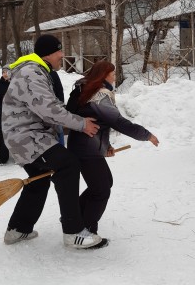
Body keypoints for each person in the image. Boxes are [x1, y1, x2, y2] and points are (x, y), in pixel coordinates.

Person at [2, 34, 105, 249]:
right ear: (48, 54)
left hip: (26, 136)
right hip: (27, 137)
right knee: (68, 164)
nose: (62, 55)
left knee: (38, 180)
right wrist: (81, 124)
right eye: (59, 51)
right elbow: (49, 110)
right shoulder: (31, 73)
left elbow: (51, 108)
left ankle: (18, 229)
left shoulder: (38, 71)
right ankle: (73, 232)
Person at [65, 61, 159, 235]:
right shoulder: (99, 96)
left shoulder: (84, 90)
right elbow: (118, 122)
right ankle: (85, 231)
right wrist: (146, 135)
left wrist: (105, 146)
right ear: (104, 75)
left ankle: (73, 217)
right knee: (101, 190)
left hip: (83, 146)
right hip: (87, 149)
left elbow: (97, 120)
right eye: (113, 74)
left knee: (104, 183)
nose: (115, 77)